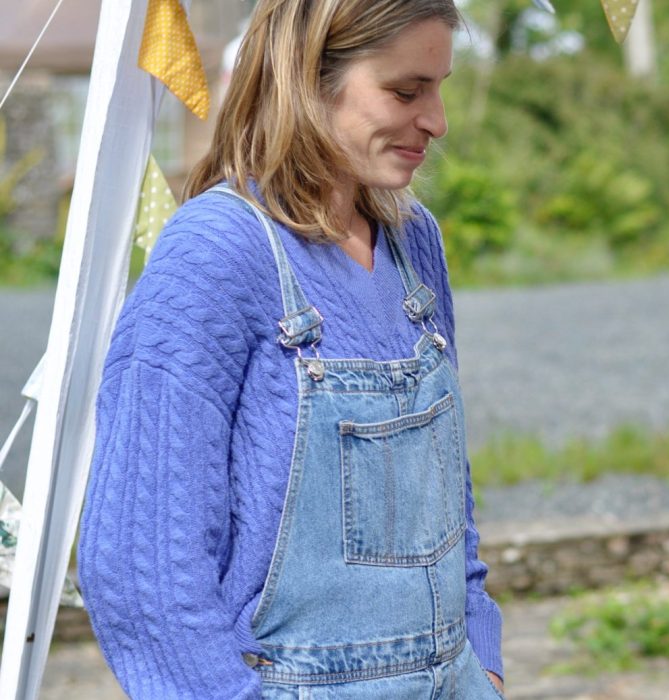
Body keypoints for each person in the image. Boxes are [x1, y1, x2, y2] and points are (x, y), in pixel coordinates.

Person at [76, 1, 506, 698]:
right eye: (406, 91)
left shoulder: (413, 241)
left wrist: (482, 659)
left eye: (438, 87)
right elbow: (139, 564)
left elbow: (447, 497)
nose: (437, 120)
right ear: (308, 79)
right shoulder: (216, 253)